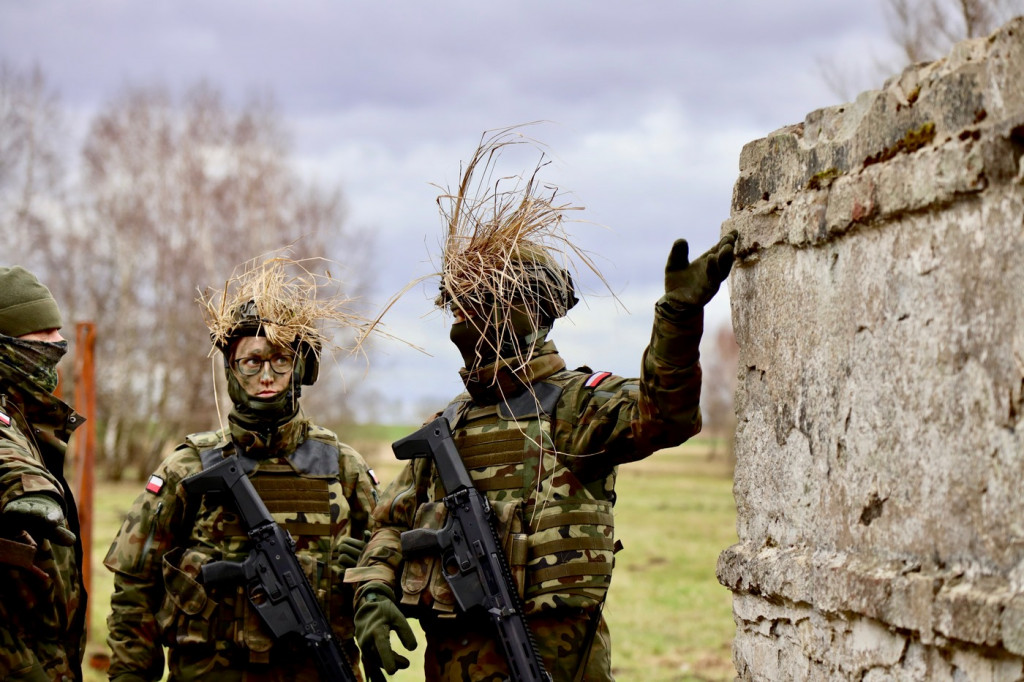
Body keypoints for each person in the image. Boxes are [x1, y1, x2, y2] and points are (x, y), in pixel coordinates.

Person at [345, 129, 737, 681]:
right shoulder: (448, 429)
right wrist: (374, 592)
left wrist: (675, 321)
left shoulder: (576, 408)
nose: (466, 323)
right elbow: (391, 522)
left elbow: (666, 416)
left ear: (535, 314)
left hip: (557, 667)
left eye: (485, 306)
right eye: (463, 307)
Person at [104, 257, 380, 681]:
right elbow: (133, 593)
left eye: (280, 360)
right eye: (252, 362)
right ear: (232, 369)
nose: (266, 375)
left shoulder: (344, 468)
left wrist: (367, 571)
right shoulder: (188, 469)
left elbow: (387, 561)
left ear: (301, 368)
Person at [0, 266, 87, 682]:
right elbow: (6, 460)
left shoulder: (26, 418)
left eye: (58, 332)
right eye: (42, 337)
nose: (59, 345)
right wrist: (27, 493)